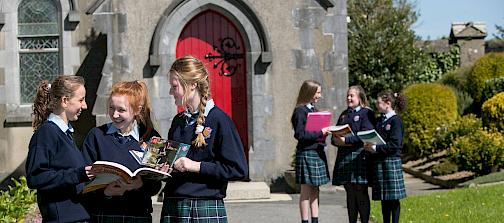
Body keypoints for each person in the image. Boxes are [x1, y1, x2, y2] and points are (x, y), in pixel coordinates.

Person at [161, 55, 248, 223]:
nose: (171, 92)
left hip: (204, 206)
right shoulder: (178, 121)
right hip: (173, 204)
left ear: (193, 85)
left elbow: (238, 169)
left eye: (174, 86)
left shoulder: (219, 120)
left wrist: (195, 166)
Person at [81, 80, 162, 222]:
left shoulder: (151, 137)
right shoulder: (96, 135)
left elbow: (155, 185)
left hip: (138, 215)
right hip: (104, 214)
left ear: (137, 110)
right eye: (112, 108)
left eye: (121, 110)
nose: (115, 114)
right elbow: (84, 180)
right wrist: (105, 192)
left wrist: (140, 184)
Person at [26, 75, 92, 222]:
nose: (85, 106)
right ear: (65, 101)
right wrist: (78, 174)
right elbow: (35, 177)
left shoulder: (65, 134)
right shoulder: (47, 133)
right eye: (81, 100)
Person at [332, 85, 376, 223]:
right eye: (348, 95)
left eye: (352, 96)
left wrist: (347, 140)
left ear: (360, 98)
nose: (349, 98)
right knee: (349, 192)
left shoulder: (366, 113)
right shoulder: (344, 114)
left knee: (360, 192)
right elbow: (336, 134)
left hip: (359, 156)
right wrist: (335, 140)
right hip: (344, 157)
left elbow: (366, 135)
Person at [363, 91, 407, 223]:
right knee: (384, 198)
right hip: (380, 162)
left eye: (379, 102)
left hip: (391, 161)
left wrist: (375, 148)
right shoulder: (380, 120)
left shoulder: (396, 121)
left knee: (393, 199)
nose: (376, 105)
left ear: (388, 104)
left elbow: (395, 145)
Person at [291, 80, 331, 223]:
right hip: (307, 153)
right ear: (309, 92)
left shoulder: (313, 110)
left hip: (317, 152)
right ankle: (305, 221)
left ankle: (315, 219)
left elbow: (314, 133)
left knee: (316, 189)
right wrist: (320, 131)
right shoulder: (300, 111)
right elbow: (300, 135)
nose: (319, 96)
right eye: (318, 92)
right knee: (306, 191)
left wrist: (324, 133)